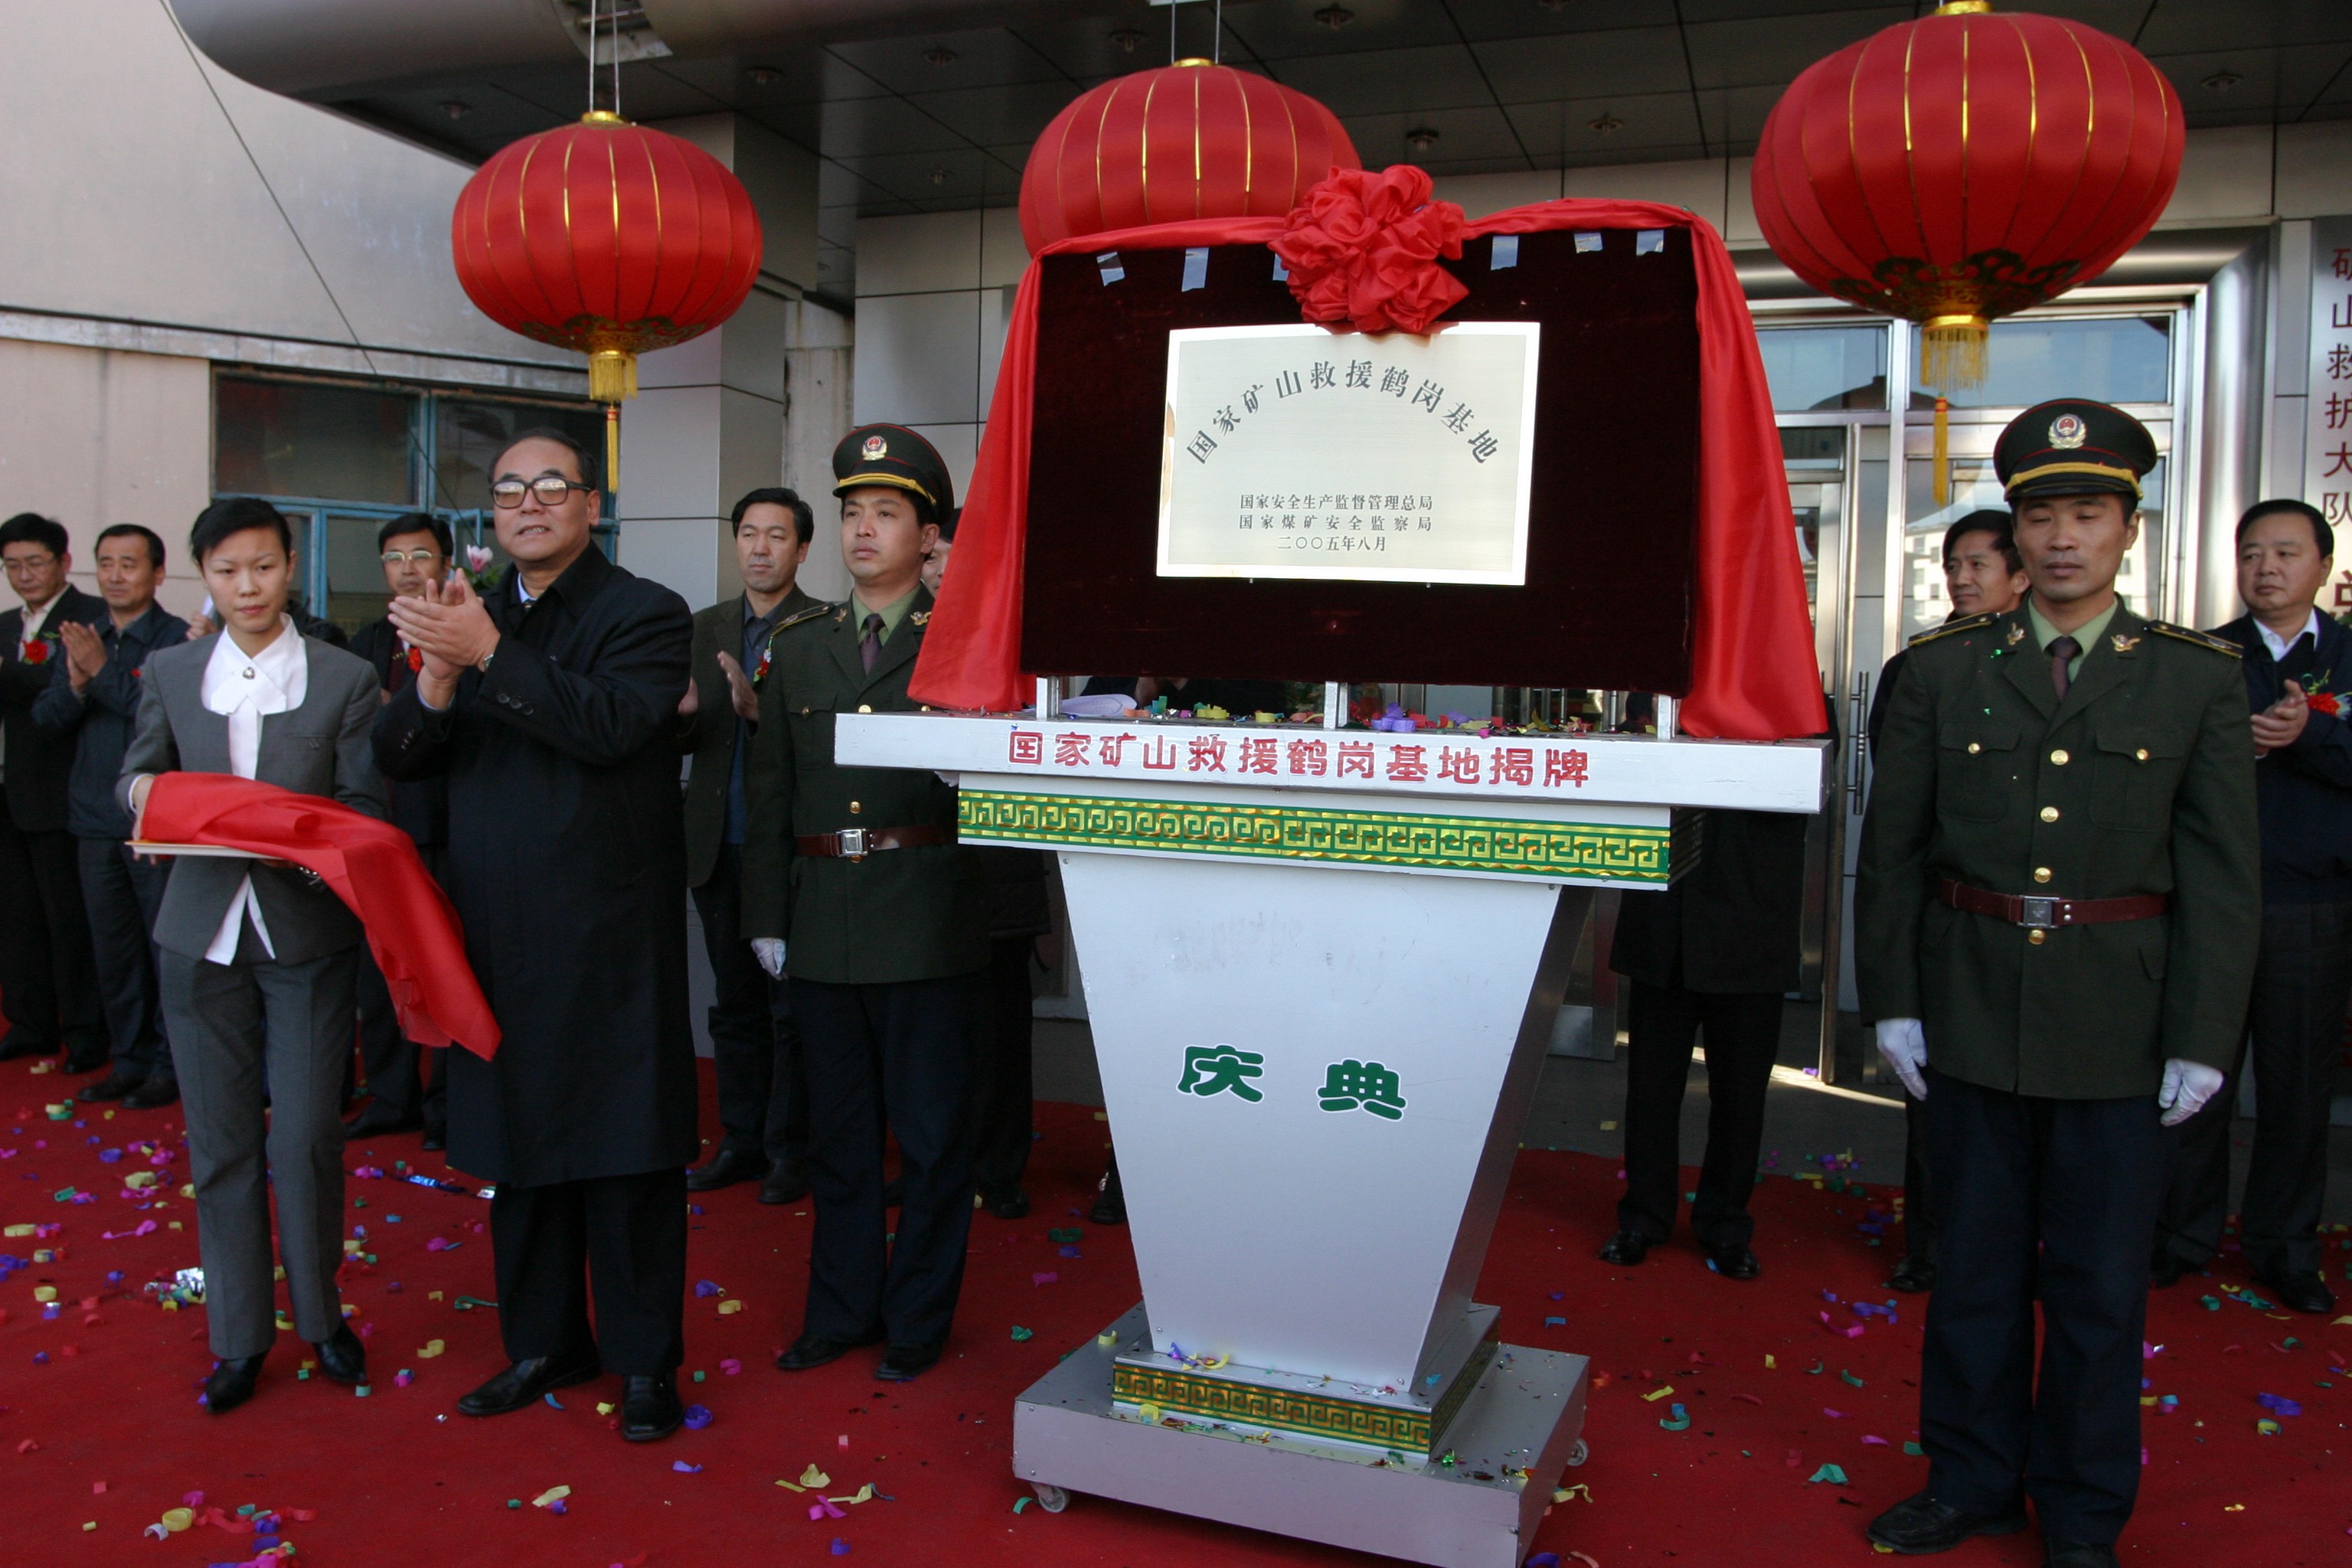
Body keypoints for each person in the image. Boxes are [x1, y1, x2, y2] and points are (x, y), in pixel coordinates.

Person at [1857, 400, 2259, 1566]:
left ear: (2130, 528)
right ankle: (1970, 1480)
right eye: (2042, 516)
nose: (2064, 537)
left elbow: (2221, 876)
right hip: (1970, 1005)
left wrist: (2203, 1036)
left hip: (2120, 1021)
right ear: (2016, 532)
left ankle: (2082, 1514)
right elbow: (1895, 853)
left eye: (2089, 513)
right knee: (1974, 1273)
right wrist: (1894, 999)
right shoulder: (1940, 672)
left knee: (2096, 1289)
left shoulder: (2194, 679)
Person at [375, 427, 696, 1443]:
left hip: (608, 934)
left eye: (551, 485)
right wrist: (435, 681)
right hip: (496, 931)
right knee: (518, 1150)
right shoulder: (476, 612)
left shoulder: (643, 611)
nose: (528, 503)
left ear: (590, 505)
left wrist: (485, 656)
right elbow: (400, 757)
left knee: (627, 1152)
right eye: (509, 488)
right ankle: (546, 1342)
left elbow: (610, 725)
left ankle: (645, 1361)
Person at [118, 497, 385, 1414]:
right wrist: (152, 801)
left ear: (290, 567)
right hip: (197, 936)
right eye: (228, 570)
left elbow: (363, 808)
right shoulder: (171, 669)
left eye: (264, 566)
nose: (248, 586)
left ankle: (321, 1315)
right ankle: (237, 1335)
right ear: (204, 575)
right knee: (220, 1141)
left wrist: (302, 850)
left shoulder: (345, 677)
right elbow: (135, 774)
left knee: (306, 1135)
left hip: (303, 934)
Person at [745, 423, 988, 1383]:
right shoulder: (799, 645)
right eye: (852, 512)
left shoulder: (959, 643)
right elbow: (771, 790)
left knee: (930, 1138)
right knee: (839, 1139)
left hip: (926, 916)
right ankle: (841, 1309)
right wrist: (768, 916)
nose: (862, 529)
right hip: (823, 920)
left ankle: (918, 1317)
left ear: (928, 536)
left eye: (886, 513)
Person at [2152, 498, 2348, 1316]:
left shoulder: (2347, 655)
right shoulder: (2205, 657)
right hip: (2211, 905)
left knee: (2298, 1088)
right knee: (2198, 1077)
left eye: (2286, 552)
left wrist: (2312, 736)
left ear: (2323, 566)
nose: (2266, 567)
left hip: (2314, 903)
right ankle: (2180, 1235)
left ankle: (2285, 1246)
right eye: (2252, 553)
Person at [1868, 511, 2030, 1294]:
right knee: (1936, 1094)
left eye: (1978, 565)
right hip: (1950, 903)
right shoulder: (1918, 667)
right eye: (1953, 565)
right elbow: (1899, 805)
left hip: (2038, 912)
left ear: (2020, 575)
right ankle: (1930, 1244)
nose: (1961, 579)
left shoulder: (2064, 664)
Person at [678, 486, 820, 1204]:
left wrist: (760, 714)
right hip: (715, 843)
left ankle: (790, 1148)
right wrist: (676, 716)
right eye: (748, 534)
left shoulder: (822, 629)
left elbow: (827, 743)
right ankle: (740, 1140)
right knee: (733, 1005)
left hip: (790, 849)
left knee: (790, 1009)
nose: (760, 548)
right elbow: (686, 733)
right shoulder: (703, 628)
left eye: (776, 535)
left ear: (803, 549)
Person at [1596, 807, 1810, 1280]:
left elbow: (1807, 788)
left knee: (1740, 1093)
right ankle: (1642, 1218)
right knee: (1651, 1089)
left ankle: (1726, 1225)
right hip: (1664, 916)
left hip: (1751, 913)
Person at [31, 524, 188, 1107]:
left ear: (158, 573)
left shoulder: (177, 640)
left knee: (163, 951)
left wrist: (100, 674)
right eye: (106, 564)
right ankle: (129, 1061)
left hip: (156, 823)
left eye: (129, 564)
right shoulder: (85, 635)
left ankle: (170, 1066)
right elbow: (46, 721)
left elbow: (161, 720)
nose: (116, 576)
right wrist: (76, 684)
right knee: (114, 953)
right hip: (93, 821)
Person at [342, 513, 455, 1145]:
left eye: (421, 555)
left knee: (444, 966)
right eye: (395, 558)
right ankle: (391, 1098)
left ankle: (447, 1107)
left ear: (445, 563)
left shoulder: (464, 632)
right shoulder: (364, 643)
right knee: (378, 972)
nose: (408, 569)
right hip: (376, 829)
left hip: (444, 826)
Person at [0, 512, 108, 1071]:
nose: (24, 574)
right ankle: (30, 1024)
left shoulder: (91, 617)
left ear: (64, 562)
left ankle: (85, 1032)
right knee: (17, 919)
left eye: (35, 562)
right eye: (12, 565)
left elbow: (66, 685)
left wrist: (5, 672)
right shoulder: (4, 625)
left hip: (61, 793)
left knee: (70, 922)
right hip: (8, 793)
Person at [971, 846, 1050, 1219]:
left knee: (1004, 1039)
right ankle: (930, 1162)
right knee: (927, 1042)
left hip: (1001, 880)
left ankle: (999, 1170)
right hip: (919, 880)